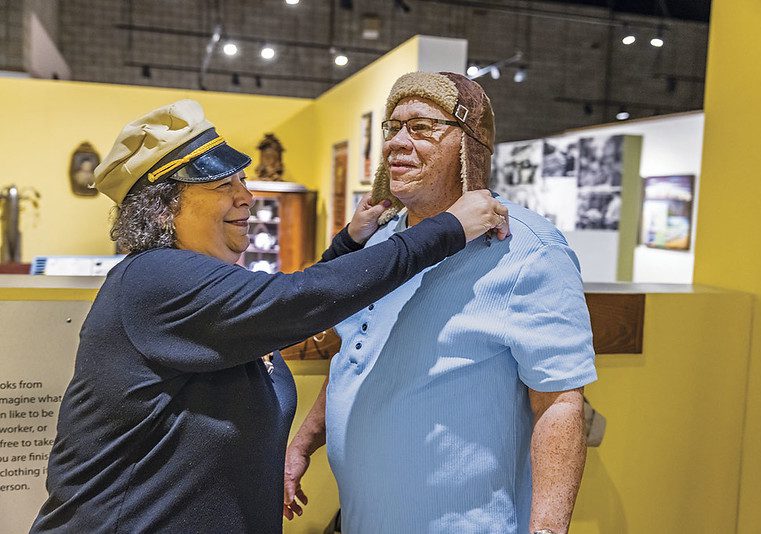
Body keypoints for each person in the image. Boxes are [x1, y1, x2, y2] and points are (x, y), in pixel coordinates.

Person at [29, 99, 510, 533]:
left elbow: (281, 308)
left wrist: (349, 242)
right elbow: (295, 302)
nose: (246, 196)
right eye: (223, 186)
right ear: (161, 212)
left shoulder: (200, 292)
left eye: (242, 181)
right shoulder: (154, 278)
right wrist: (449, 228)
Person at [285, 72, 597, 534]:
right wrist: (303, 443)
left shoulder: (527, 248)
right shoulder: (383, 241)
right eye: (393, 127)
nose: (397, 143)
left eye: (422, 127)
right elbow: (357, 356)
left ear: (468, 145)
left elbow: (559, 401)